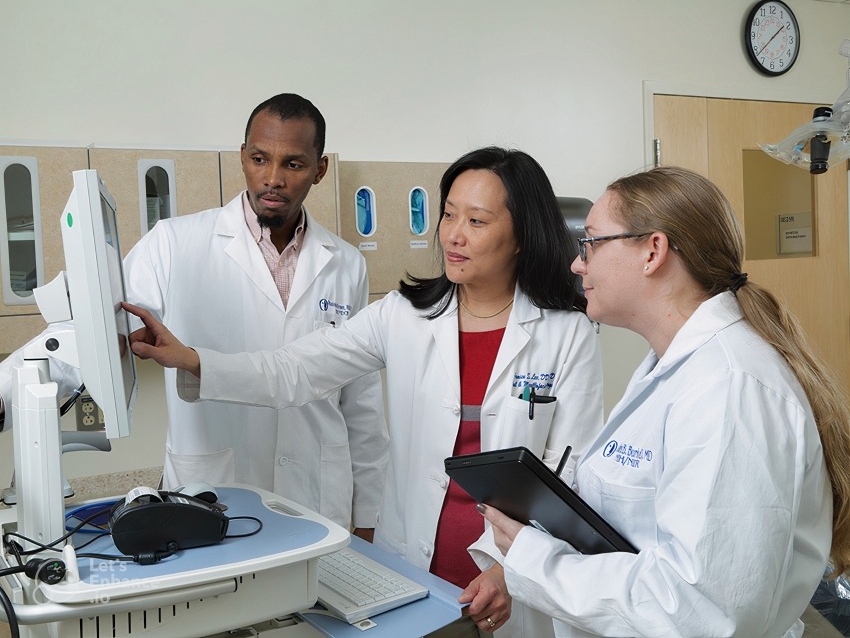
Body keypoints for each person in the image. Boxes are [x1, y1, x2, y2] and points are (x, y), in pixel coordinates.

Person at [122, 146, 606, 637]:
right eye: (448, 214)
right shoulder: (403, 315)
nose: (453, 235)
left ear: (521, 235)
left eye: (477, 222)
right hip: (413, 566)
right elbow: (294, 370)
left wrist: (512, 568)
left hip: (509, 577)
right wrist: (192, 360)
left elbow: (571, 478)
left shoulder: (566, 334)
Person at [476, 165, 850, 638]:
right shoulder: (670, 368)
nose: (577, 263)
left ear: (653, 251)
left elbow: (701, 611)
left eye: (590, 242)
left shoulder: (728, 389)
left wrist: (535, 561)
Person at [0, 93, 389, 538]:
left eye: (294, 165)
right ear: (242, 157)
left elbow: (361, 405)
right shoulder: (174, 243)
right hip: (216, 487)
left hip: (318, 496)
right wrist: (5, 396)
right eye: (260, 159)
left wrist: (367, 518)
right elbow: (90, 332)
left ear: (319, 169)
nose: (273, 178)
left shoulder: (346, 263)